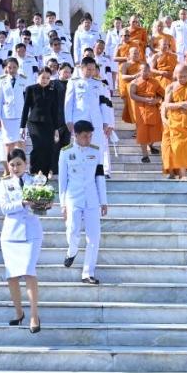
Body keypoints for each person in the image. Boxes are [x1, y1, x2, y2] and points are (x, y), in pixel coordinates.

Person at [58, 121, 107, 284]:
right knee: (72, 229)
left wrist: (103, 201)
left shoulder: (96, 151)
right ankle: (72, 251)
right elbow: (62, 181)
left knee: (94, 237)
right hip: (73, 197)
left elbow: (99, 177)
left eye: (90, 135)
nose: (88, 139)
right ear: (76, 135)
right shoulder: (66, 152)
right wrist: (62, 204)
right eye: (85, 136)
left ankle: (88, 273)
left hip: (92, 198)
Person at [0, 149, 42, 333]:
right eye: (12, 164)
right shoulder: (4, 183)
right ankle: (19, 313)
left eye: (18, 164)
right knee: (12, 275)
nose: (15, 168)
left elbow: (41, 208)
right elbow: (4, 208)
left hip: (31, 232)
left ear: (26, 164)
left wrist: (43, 203)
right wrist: (22, 203)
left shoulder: (36, 181)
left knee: (29, 272)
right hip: (11, 234)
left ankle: (34, 315)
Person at [63, 58, 115, 177]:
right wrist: (69, 120)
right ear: (82, 68)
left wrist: (106, 121)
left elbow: (103, 104)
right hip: (79, 120)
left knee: (97, 146)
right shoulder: (74, 82)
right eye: (89, 69)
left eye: (93, 69)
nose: (91, 72)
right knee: (80, 146)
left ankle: (99, 171)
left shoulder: (98, 83)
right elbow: (68, 103)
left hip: (96, 120)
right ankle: (79, 170)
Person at [22, 68, 66, 177]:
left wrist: (56, 128)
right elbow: (26, 108)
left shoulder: (53, 90)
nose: (45, 80)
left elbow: (55, 110)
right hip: (34, 122)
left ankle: (46, 171)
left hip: (49, 123)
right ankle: (34, 170)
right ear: (38, 76)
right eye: (43, 77)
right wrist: (22, 126)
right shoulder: (30, 89)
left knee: (49, 146)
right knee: (38, 146)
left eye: (47, 78)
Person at [0, 58, 28, 163]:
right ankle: (10, 168)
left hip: (20, 115)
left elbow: (28, 99)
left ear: (18, 67)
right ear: (6, 68)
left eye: (14, 67)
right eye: (9, 67)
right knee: (9, 144)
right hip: (7, 116)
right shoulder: (1, 79)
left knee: (21, 142)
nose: (12, 69)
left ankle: (22, 166)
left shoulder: (24, 79)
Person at [129, 63, 164, 163]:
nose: (146, 73)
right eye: (144, 70)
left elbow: (162, 94)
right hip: (141, 109)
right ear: (139, 71)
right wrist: (144, 99)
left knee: (156, 130)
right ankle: (145, 155)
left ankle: (151, 145)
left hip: (153, 109)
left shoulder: (155, 82)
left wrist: (156, 100)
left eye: (148, 71)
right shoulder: (135, 82)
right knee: (142, 132)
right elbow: (132, 95)